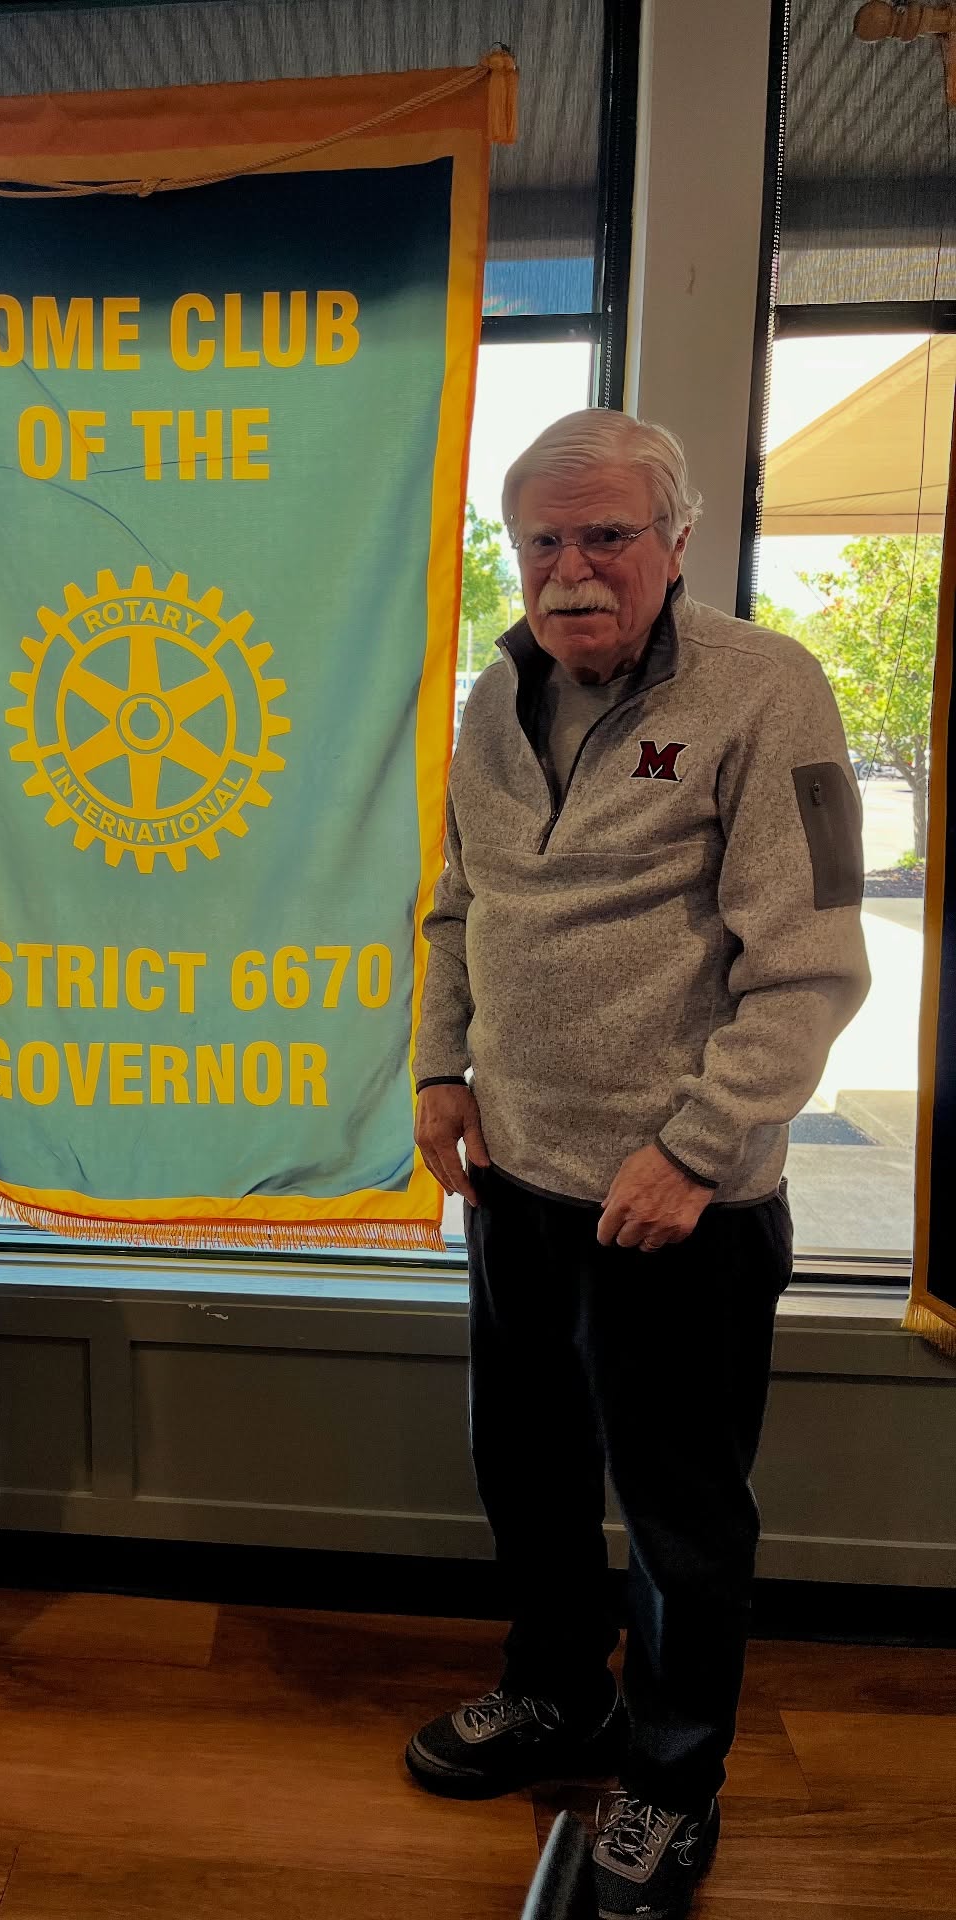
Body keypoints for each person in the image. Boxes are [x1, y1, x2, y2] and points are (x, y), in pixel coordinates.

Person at [405, 411, 869, 1918]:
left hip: (678, 1209)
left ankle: (672, 1782)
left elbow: (810, 970)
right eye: (542, 539)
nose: (571, 568)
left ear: (677, 544)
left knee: (678, 1518)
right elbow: (456, 903)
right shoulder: (495, 696)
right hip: (518, 1184)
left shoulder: (768, 693)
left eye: (606, 535)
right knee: (527, 1474)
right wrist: (438, 1067)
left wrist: (696, 1146)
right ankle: (561, 1697)